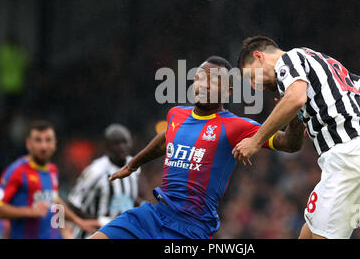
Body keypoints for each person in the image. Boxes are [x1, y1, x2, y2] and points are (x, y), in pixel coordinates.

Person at [88, 55, 305, 239]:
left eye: (213, 81)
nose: (204, 85)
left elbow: (289, 144)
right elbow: (165, 139)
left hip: (192, 228)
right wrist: (133, 164)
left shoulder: (235, 126)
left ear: (228, 91)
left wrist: (293, 114)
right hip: (153, 215)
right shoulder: (176, 115)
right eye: (200, 78)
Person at [233, 36, 360, 239]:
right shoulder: (329, 66)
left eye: (251, 77)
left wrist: (255, 141)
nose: (257, 86)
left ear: (259, 57)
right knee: (308, 233)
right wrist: (322, 117)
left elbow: (295, 99)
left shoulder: (290, 59)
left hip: (351, 158)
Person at [0, 120, 101, 239]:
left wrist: (73, 224)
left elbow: (54, 202)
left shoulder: (52, 170)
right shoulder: (17, 171)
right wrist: (30, 211)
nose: (43, 146)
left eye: (48, 140)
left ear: (54, 143)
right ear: (28, 143)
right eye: (38, 140)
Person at [67, 124, 142, 238]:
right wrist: (96, 222)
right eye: (116, 143)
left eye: (124, 142)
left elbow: (126, 197)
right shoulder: (96, 171)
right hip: (92, 235)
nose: (122, 147)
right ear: (107, 147)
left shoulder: (134, 166)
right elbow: (72, 203)